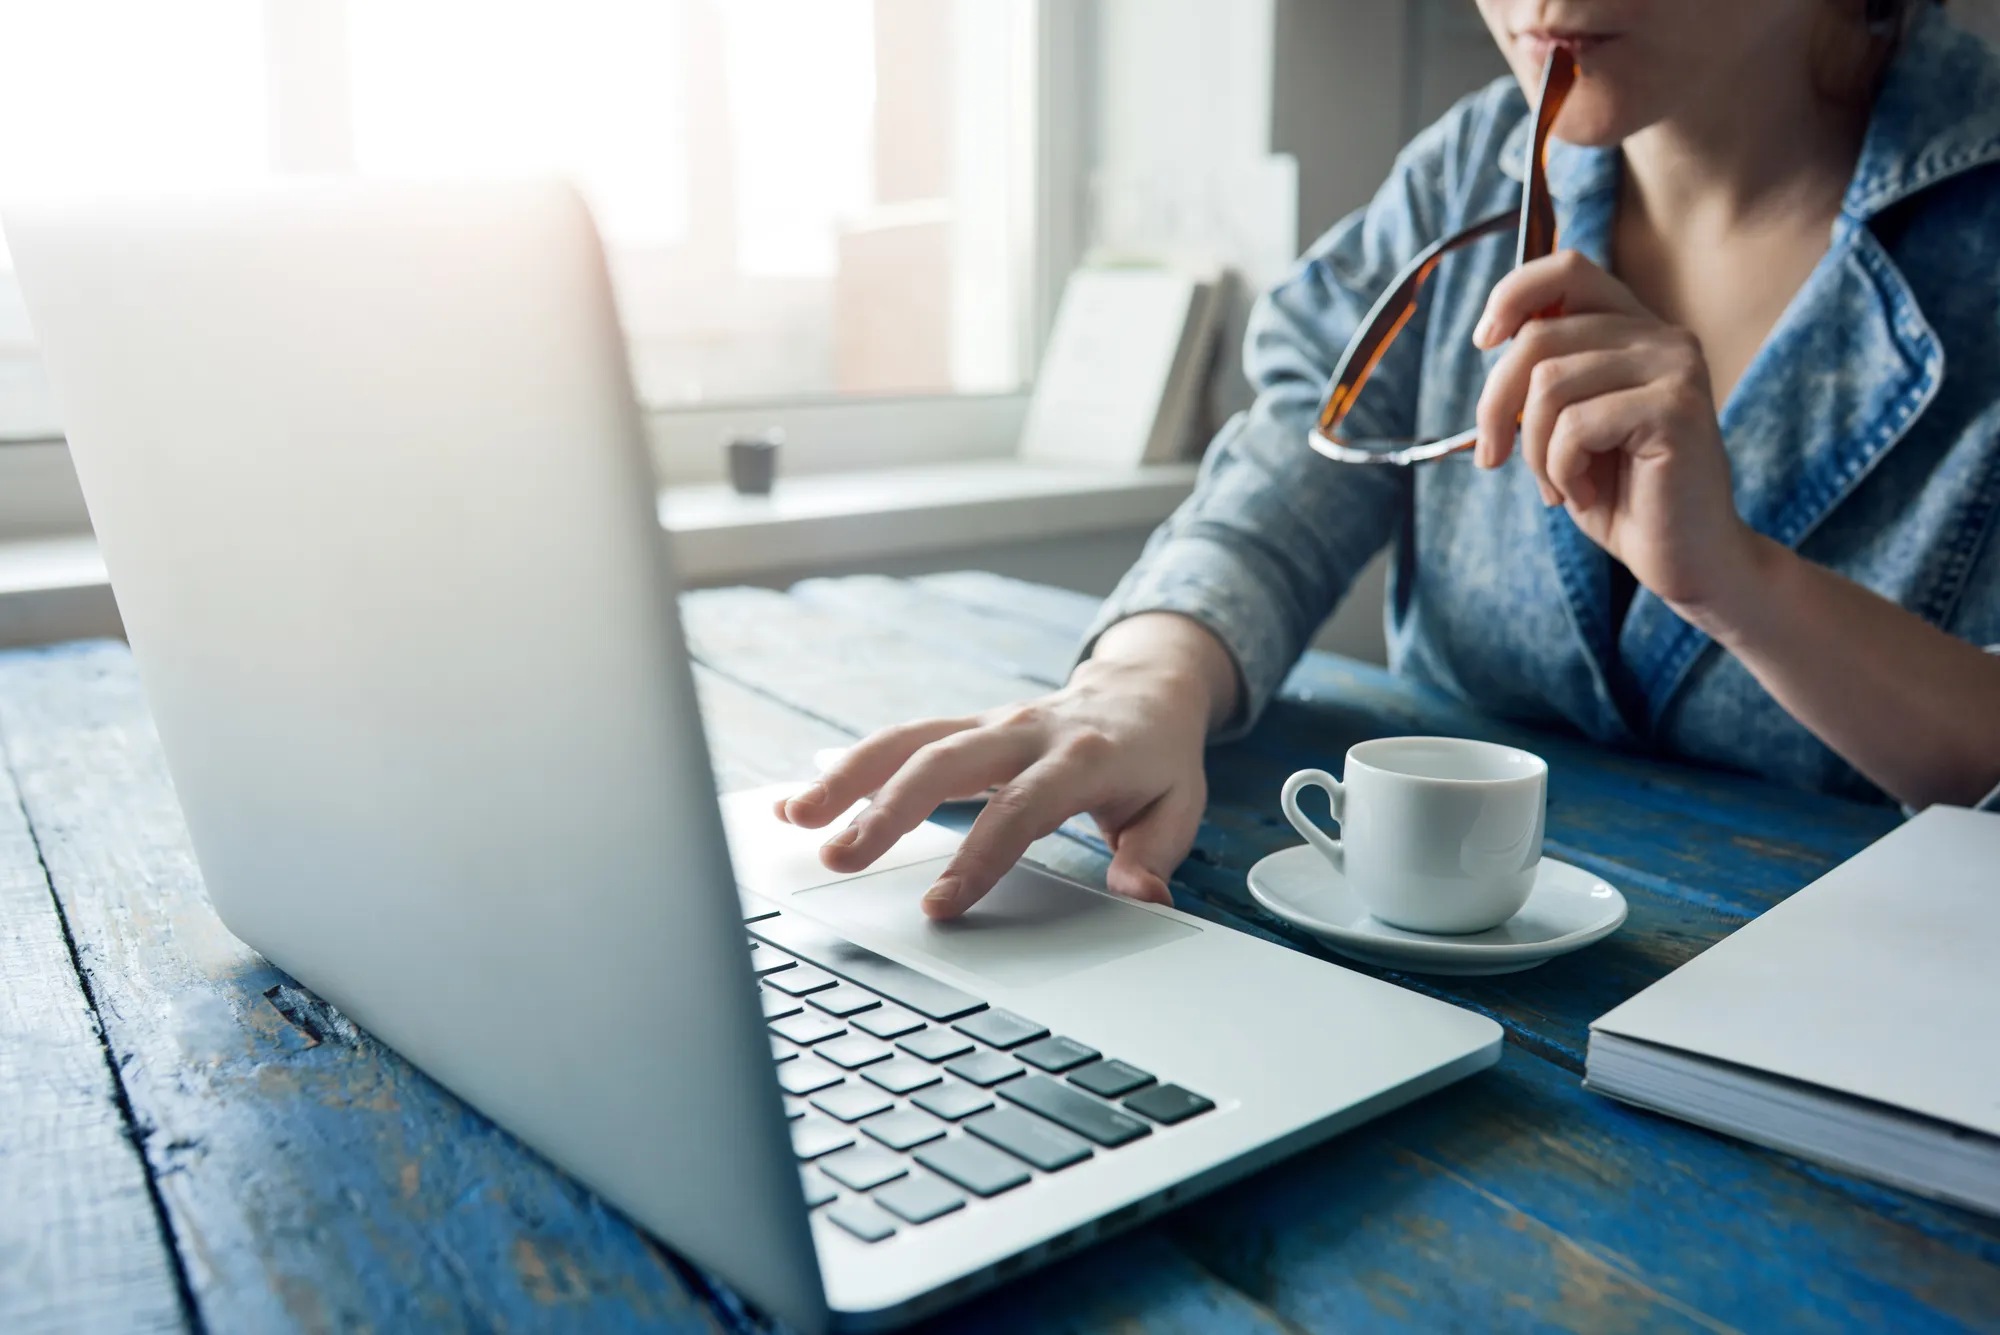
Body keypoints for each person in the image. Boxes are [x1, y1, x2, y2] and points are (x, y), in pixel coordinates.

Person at [780, 0, 2000, 919]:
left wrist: (1739, 584)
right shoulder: (1468, 170)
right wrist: (1147, 678)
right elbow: (1292, 463)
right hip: (1424, 984)